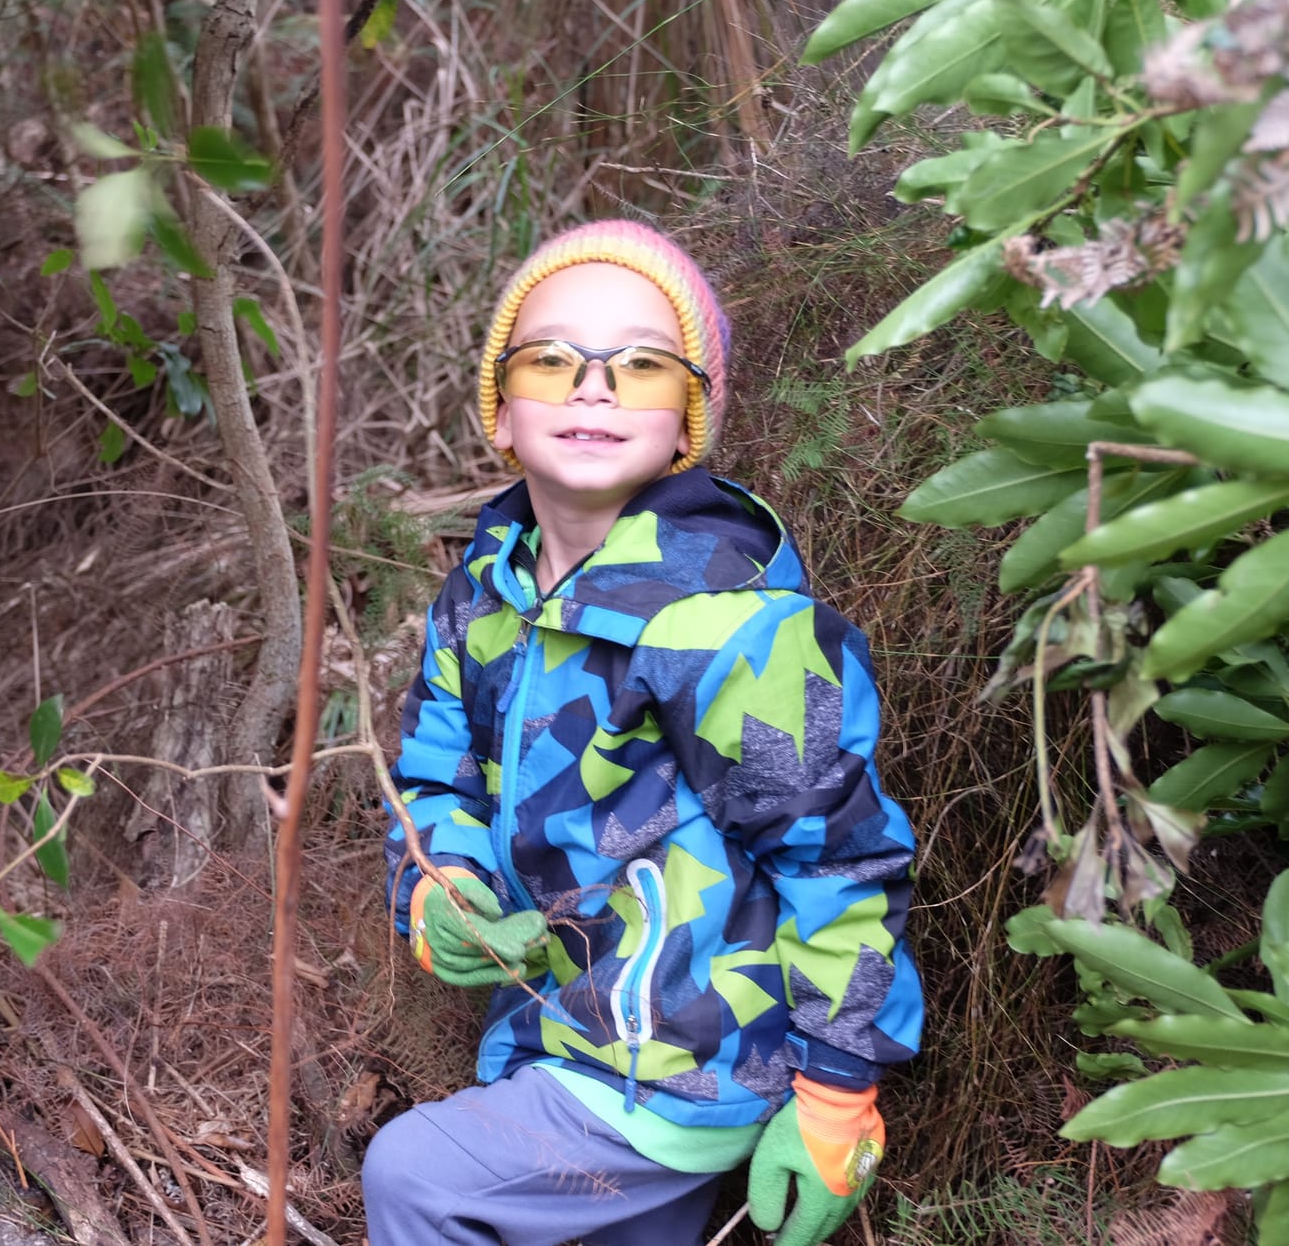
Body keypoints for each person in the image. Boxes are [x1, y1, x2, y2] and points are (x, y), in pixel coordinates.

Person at [362, 222, 922, 1246]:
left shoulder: (728, 622)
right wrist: (440, 888)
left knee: (417, 1176)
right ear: (500, 408)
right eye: (550, 359)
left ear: (686, 421)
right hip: (557, 1034)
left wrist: (839, 1088)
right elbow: (433, 780)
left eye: (642, 364)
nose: (593, 388)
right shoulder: (479, 597)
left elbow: (840, 860)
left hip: (689, 1063)